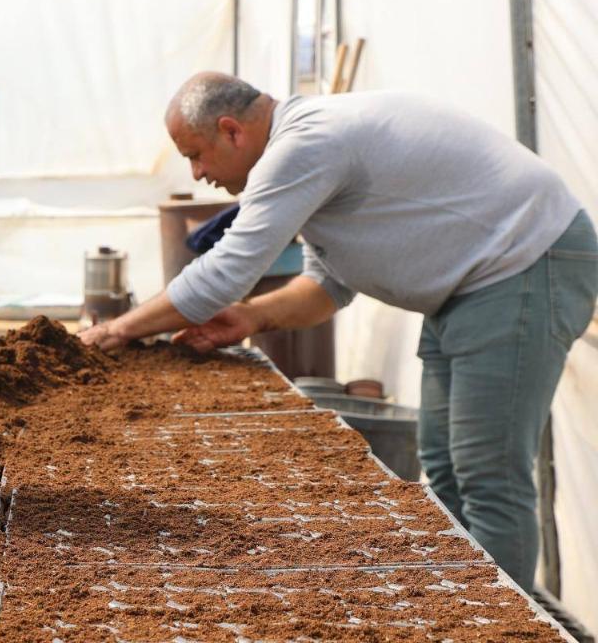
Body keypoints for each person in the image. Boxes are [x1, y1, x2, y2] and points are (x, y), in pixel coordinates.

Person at [80, 71, 598, 588]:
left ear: (231, 130)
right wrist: (252, 317)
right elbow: (329, 283)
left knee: (488, 476)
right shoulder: (309, 143)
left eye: (196, 154)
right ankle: (465, 602)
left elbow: (225, 271)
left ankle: (501, 625)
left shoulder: (303, 144)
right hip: (474, 286)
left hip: (526, 263)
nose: (197, 173)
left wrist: (117, 331)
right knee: (443, 466)